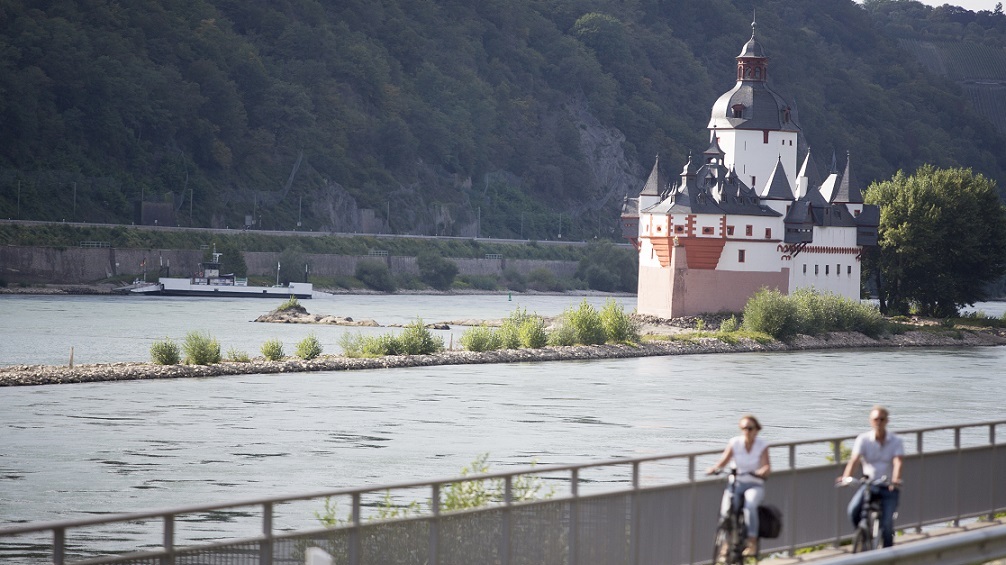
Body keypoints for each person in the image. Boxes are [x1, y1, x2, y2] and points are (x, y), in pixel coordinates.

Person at [838, 405, 904, 548]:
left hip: (889, 488)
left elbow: (898, 462)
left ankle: (887, 557)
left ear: (887, 421)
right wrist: (846, 477)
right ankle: (862, 537)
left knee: (886, 524)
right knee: (853, 510)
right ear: (871, 421)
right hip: (869, 485)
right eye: (875, 419)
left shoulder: (895, 441)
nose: (878, 422)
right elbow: (854, 460)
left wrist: (895, 480)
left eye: (882, 419)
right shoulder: (863, 440)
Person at [707, 414, 771, 555]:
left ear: (756, 429)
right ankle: (725, 544)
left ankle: (751, 542)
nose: (746, 431)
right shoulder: (735, 442)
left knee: (750, 506)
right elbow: (724, 460)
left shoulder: (762, 445)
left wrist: (762, 471)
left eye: (749, 428)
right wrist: (715, 468)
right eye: (743, 428)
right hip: (736, 483)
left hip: (754, 484)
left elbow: (767, 466)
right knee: (726, 511)